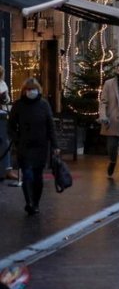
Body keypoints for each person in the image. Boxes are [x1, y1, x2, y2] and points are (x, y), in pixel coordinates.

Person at [8, 79, 59, 215]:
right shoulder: (18, 105)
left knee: (38, 176)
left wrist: (55, 145)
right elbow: (11, 126)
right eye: (28, 89)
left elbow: (50, 125)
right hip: (24, 146)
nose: (31, 92)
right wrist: (17, 140)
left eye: (33, 89)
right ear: (24, 91)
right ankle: (29, 202)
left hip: (41, 146)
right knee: (27, 175)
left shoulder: (44, 105)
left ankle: (35, 202)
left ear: (38, 90)